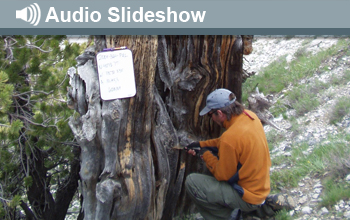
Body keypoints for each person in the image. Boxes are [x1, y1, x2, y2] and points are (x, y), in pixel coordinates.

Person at [184, 88, 295, 220]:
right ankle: (255, 211)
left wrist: (206, 155)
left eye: (210, 115)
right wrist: (201, 145)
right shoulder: (250, 117)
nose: (212, 119)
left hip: (247, 196)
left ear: (219, 113)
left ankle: (231, 217)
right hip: (260, 189)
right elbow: (228, 143)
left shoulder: (229, 138)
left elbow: (222, 175)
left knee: (192, 182)